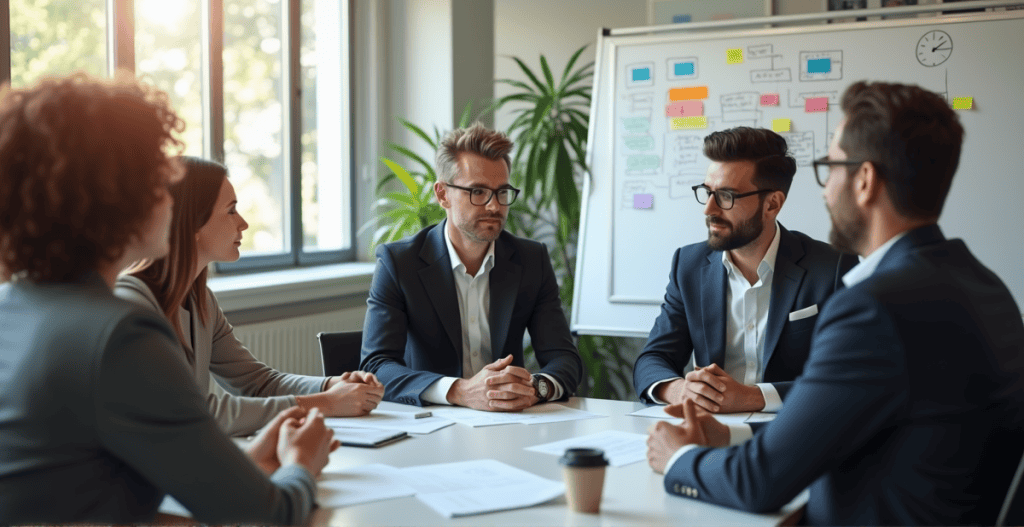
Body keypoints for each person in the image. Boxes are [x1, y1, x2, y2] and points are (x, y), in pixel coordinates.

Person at [646, 81, 1024, 525]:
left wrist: (678, 456)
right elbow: (860, 419)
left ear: (864, 181)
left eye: (830, 168)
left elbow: (759, 483)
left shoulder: (874, 308)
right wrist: (735, 434)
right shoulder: (984, 285)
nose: (825, 192)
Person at [0, 73, 336, 524]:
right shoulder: (119, 334)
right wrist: (302, 464)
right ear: (119, 199)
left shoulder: (14, 307)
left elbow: (77, 495)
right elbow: (267, 516)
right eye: (160, 180)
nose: (169, 199)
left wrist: (244, 466)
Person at [116, 156, 384, 437]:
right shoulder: (134, 303)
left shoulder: (201, 300)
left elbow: (258, 382)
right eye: (231, 211)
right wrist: (324, 404)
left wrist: (331, 387)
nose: (242, 223)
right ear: (193, 222)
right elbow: (192, 411)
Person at [361, 123, 583, 410]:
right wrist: (459, 391)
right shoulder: (399, 263)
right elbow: (376, 366)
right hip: (433, 424)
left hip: (508, 423)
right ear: (443, 195)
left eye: (502, 192)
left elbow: (564, 358)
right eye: (478, 192)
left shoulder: (530, 260)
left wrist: (536, 388)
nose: (494, 206)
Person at [634, 127, 855, 414]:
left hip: (795, 431)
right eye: (707, 192)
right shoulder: (688, 265)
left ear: (772, 204)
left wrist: (753, 397)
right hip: (710, 431)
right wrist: (680, 389)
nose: (709, 209)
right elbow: (652, 359)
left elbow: (846, 375)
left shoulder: (833, 268)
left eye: (726, 196)